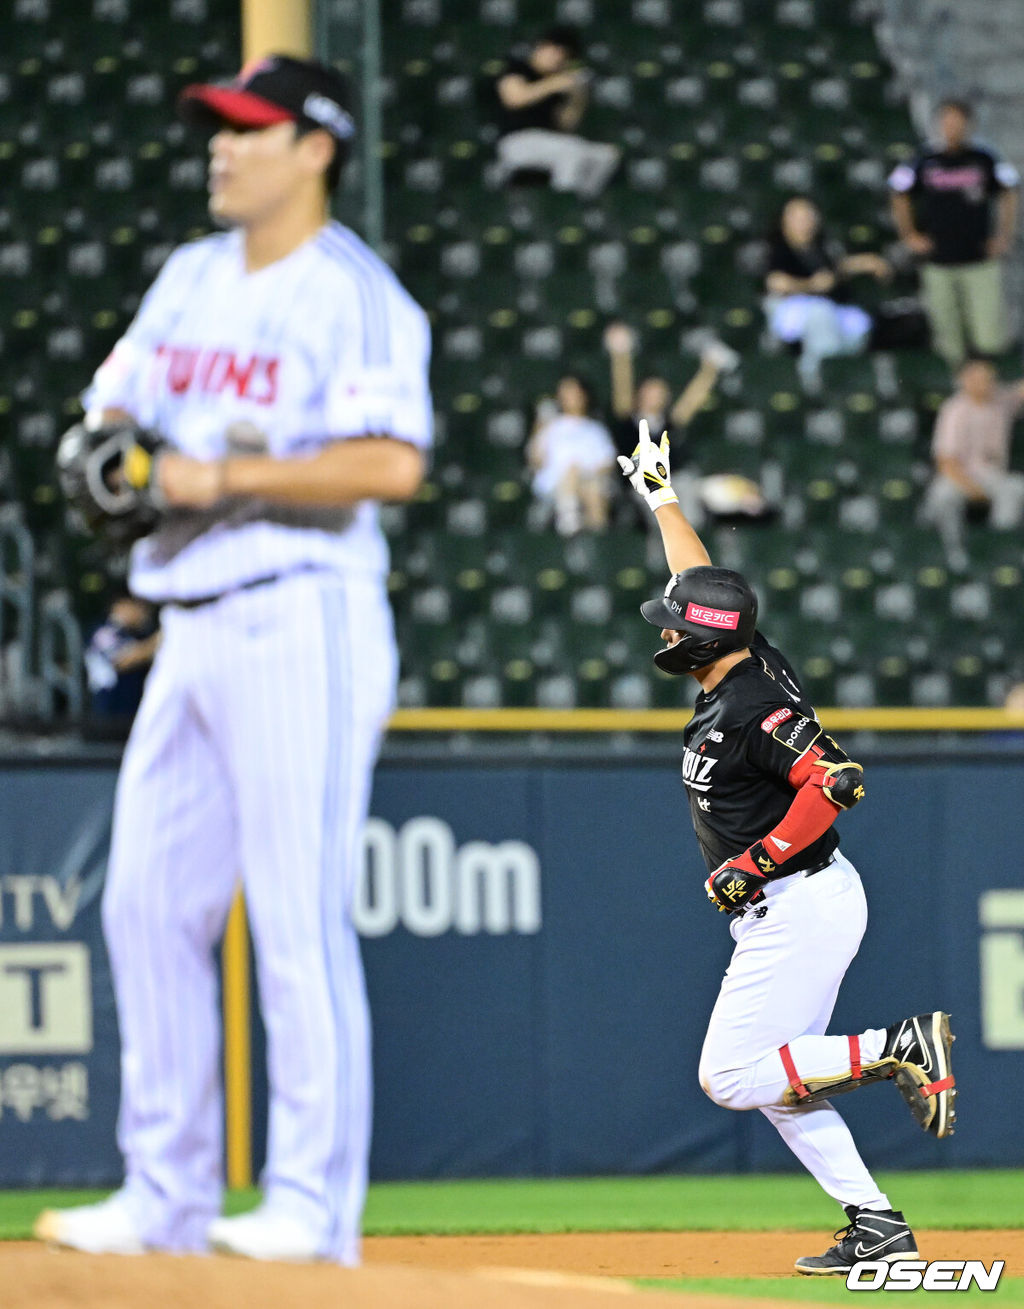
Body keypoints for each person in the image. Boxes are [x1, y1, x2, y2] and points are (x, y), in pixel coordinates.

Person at [34, 55, 432, 1264]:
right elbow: (113, 416)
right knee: (147, 904)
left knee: (297, 919)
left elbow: (389, 464)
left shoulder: (354, 292)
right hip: (189, 617)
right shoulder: (190, 276)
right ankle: (167, 1189)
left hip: (300, 609)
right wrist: (112, 452)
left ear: (316, 147)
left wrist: (224, 475)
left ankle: (313, 1208)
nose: (221, 148)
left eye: (248, 131)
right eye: (215, 129)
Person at [616, 423, 956, 1276]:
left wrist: (753, 860)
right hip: (800, 903)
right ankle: (878, 1223)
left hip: (796, 901)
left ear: (700, 643)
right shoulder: (739, 654)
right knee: (780, 1081)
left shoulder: (751, 701)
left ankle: (901, 1048)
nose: (662, 629)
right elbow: (696, 585)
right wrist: (661, 494)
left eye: (671, 626)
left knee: (729, 1076)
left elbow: (835, 779)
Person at [889, 99, 1019, 369]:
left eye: (958, 121)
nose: (952, 127)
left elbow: (1010, 190)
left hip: (979, 259)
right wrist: (909, 234)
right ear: (937, 125)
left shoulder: (985, 157)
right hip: (938, 261)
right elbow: (898, 191)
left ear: (969, 125)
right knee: (948, 336)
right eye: (946, 121)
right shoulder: (923, 159)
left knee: (989, 333)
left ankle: (990, 390)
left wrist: (1004, 235)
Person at [763, 196, 890, 389]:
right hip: (786, 309)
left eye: (808, 216)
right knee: (821, 314)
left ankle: (845, 376)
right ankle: (816, 380)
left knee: (858, 322)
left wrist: (867, 261)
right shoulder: (776, 246)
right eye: (798, 217)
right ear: (785, 221)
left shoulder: (820, 246)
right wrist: (811, 285)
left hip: (823, 308)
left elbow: (838, 267)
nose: (805, 222)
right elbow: (776, 283)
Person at [921, 355, 1024, 568]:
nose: (985, 383)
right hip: (959, 477)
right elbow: (946, 462)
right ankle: (954, 555)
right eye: (978, 378)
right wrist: (973, 490)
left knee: (1016, 489)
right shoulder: (954, 410)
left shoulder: (1001, 400)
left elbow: (1020, 391)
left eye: (988, 378)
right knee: (941, 497)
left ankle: (999, 550)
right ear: (965, 381)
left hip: (992, 475)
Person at [493, 26, 620, 198]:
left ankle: (582, 202)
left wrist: (577, 95)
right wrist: (555, 83)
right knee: (570, 151)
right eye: (554, 51)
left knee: (607, 155)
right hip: (516, 141)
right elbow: (515, 99)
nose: (558, 58)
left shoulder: (558, 81)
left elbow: (566, 124)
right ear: (541, 47)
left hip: (550, 141)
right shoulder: (518, 68)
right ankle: (562, 206)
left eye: (564, 55)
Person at [527, 373, 616, 534]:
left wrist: (585, 473)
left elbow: (608, 463)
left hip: (589, 481)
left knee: (594, 490)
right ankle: (569, 527)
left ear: (583, 396)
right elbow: (535, 460)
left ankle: (597, 541)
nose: (570, 397)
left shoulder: (595, 429)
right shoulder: (550, 426)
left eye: (574, 393)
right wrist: (539, 426)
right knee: (572, 473)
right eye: (565, 393)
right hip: (554, 483)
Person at [84, 595, 159, 723]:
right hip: (111, 712)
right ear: (120, 604)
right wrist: (163, 637)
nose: (144, 612)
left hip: (134, 711)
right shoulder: (105, 631)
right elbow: (124, 660)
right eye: (139, 606)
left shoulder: (138, 633)